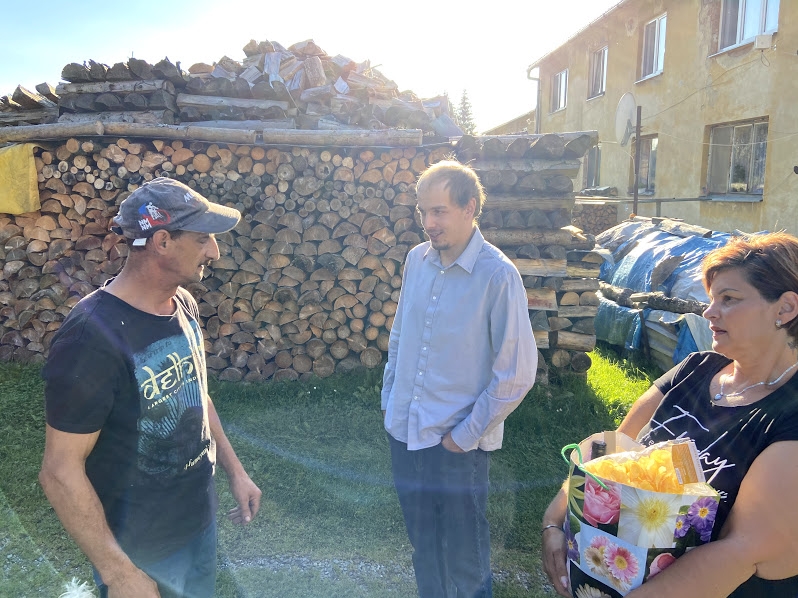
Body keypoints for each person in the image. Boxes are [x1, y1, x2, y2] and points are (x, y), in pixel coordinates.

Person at [542, 231, 798, 598]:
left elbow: (741, 551)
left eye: (729, 299)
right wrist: (554, 523)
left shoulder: (789, 413)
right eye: (712, 298)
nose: (709, 312)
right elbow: (612, 451)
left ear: (785, 309)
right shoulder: (694, 370)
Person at [39, 177, 262, 598]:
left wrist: (236, 471)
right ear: (162, 241)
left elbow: (195, 392)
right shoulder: (89, 339)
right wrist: (119, 573)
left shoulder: (183, 303)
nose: (214, 252)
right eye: (202, 239)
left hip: (198, 524)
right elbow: (59, 470)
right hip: (138, 549)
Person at [382, 160, 537, 598]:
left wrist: (463, 438)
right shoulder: (416, 260)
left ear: (470, 208)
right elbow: (400, 336)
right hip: (404, 434)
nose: (428, 223)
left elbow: (516, 373)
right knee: (424, 550)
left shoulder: (498, 275)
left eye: (439, 211)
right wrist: (390, 401)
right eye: (422, 211)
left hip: (456, 447)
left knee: (466, 564)